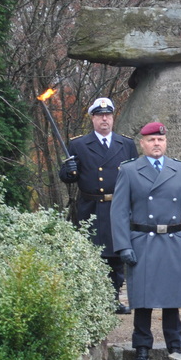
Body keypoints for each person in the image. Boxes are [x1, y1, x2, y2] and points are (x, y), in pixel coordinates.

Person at [110, 122, 181, 360]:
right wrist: (123, 245)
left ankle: (176, 351)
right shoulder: (129, 170)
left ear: (166, 142)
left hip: (172, 242)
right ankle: (142, 353)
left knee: (171, 302)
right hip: (142, 241)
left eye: (160, 140)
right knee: (142, 303)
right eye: (151, 140)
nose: (156, 144)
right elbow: (119, 212)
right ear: (142, 143)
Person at [58, 97, 136, 314]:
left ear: (113, 118)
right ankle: (94, 301)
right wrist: (69, 171)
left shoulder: (126, 144)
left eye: (108, 115)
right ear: (92, 118)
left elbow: (136, 176)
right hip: (90, 208)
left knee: (117, 255)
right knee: (94, 255)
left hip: (118, 208)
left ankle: (113, 299)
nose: (104, 119)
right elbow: (67, 177)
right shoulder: (79, 145)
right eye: (100, 115)